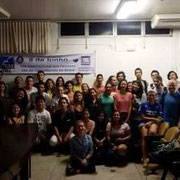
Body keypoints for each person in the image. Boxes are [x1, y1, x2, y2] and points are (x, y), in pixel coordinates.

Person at [139, 90, 162, 166]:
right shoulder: (143, 104)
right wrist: (152, 119)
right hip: (144, 122)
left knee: (152, 133)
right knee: (145, 137)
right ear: (147, 96)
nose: (151, 97)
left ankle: (151, 157)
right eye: (150, 95)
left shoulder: (158, 105)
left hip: (154, 123)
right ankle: (144, 157)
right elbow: (142, 117)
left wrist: (151, 122)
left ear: (155, 96)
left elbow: (159, 119)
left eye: (153, 95)